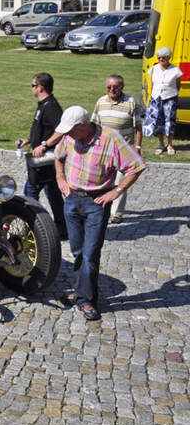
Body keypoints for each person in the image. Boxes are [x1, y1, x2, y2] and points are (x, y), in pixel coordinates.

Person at [54, 106, 146, 321]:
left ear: (84, 125)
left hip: (97, 202)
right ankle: (80, 292)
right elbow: (58, 156)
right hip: (72, 199)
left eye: (71, 130)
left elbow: (137, 166)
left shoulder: (110, 138)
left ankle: (86, 300)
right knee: (77, 251)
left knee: (91, 253)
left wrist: (117, 190)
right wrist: (60, 179)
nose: (67, 135)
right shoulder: (69, 137)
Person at [17, 72, 67, 238]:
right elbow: (46, 129)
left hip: (46, 160)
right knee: (53, 193)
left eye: (33, 85)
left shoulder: (51, 106)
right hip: (44, 158)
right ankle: (63, 229)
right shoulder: (43, 105)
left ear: (40, 87)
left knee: (30, 191)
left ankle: (32, 227)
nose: (31, 88)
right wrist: (30, 140)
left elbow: (61, 131)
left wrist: (44, 145)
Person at [90, 74, 144, 222]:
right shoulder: (101, 102)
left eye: (116, 87)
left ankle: (117, 213)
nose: (112, 90)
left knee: (121, 180)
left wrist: (138, 147)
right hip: (104, 150)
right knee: (103, 180)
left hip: (123, 150)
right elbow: (94, 125)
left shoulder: (130, 102)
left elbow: (138, 127)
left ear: (122, 87)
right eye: (109, 87)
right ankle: (101, 206)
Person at [143, 46, 183, 155]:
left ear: (168, 57)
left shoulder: (175, 70)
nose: (161, 59)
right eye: (159, 57)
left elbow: (178, 85)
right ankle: (161, 144)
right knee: (158, 121)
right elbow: (152, 84)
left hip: (170, 98)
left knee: (170, 121)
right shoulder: (154, 69)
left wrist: (172, 94)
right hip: (156, 98)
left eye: (163, 57)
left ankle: (170, 145)